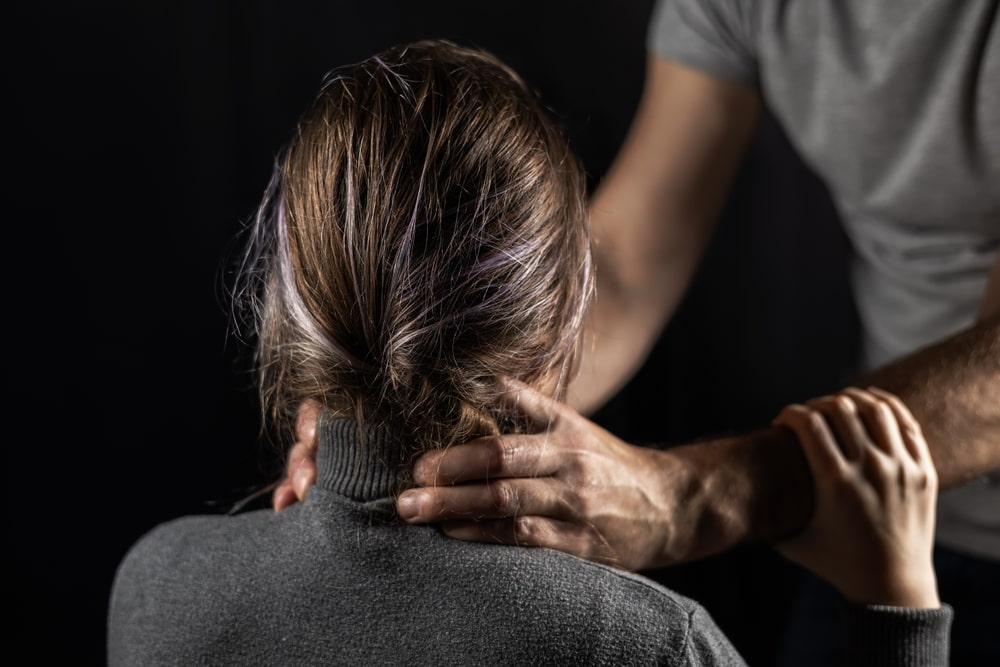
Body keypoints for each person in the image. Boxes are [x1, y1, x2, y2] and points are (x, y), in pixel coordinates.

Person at [108, 39, 951, 666]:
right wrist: (897, 606)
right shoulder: (651, 646)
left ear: (293, 306)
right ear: (559, 330)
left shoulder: (155, 589)